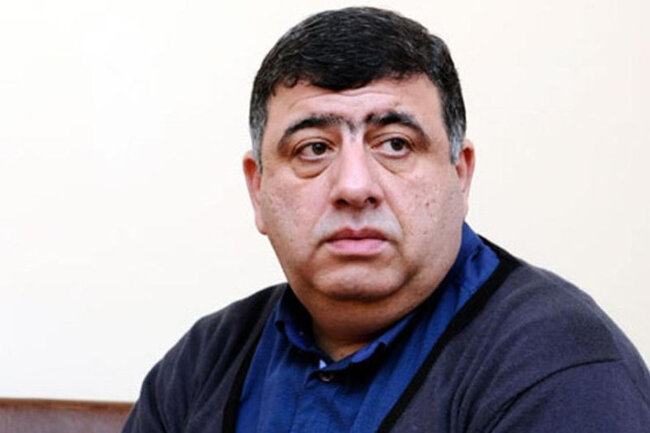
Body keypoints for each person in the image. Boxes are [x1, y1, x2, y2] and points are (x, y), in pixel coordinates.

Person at [122, 7, 650, 433]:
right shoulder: (204, 363)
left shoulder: (557, 364)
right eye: (314, 148)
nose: (354, 187)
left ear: (460, 175)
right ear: (257, 189)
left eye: (395, 144)